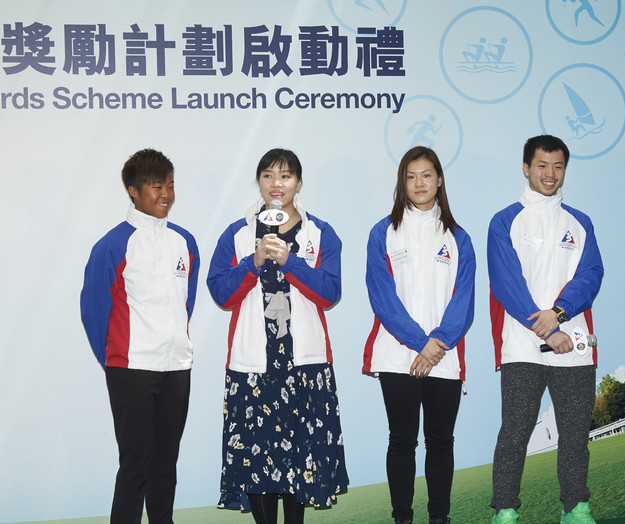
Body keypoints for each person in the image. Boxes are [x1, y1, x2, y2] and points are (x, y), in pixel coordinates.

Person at [207, 148, 348, 524]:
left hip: (304, 365)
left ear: (298, 183)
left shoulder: (320, 232)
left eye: (285, 176)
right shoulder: (237, 233)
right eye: (268, 175)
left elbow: (330, 292)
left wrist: (292, 262)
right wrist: (251, 263)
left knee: (301, 457)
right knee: (256, 459)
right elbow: (220, 292)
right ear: (259, 182)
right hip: (253, 366)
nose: (276, 184)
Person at [487, 135, 603, 524]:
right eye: (541, 165)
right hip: (522, 344)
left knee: (574, 435)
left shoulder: (581, 222)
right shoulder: (504, 221)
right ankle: (505, 509)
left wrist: (559, 311)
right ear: (526, 168)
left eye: (557, 166)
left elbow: (590, 276)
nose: (549, 174)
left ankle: (576, 506)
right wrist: (547, 326)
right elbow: (507, 283)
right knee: (516, 431)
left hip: (574, 344)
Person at [80, 148, 199, 524]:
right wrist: (115, 360)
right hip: (130, 368)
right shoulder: (113, 245)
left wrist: (173, 342)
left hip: (177, 366)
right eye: (155, 185)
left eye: (170, 185)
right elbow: (94, 311)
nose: (165, 193)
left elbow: (186, 303)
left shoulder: (185, 242)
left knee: (166, 462)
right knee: (136, 463)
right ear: (133, 191)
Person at [363, 146, 476, 524]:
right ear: (402, 183)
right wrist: (420, 343)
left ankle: (439, 518)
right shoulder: (384, 232)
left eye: (426, 175)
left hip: (444, 356)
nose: (419, 183)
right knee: (402, 441)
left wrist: (437, 344)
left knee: (441, 442)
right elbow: (383, 299)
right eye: (411, 176)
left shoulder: (459, 238)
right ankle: (402, 518)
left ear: (439, 179)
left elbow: (464, 300)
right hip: (398, 357)